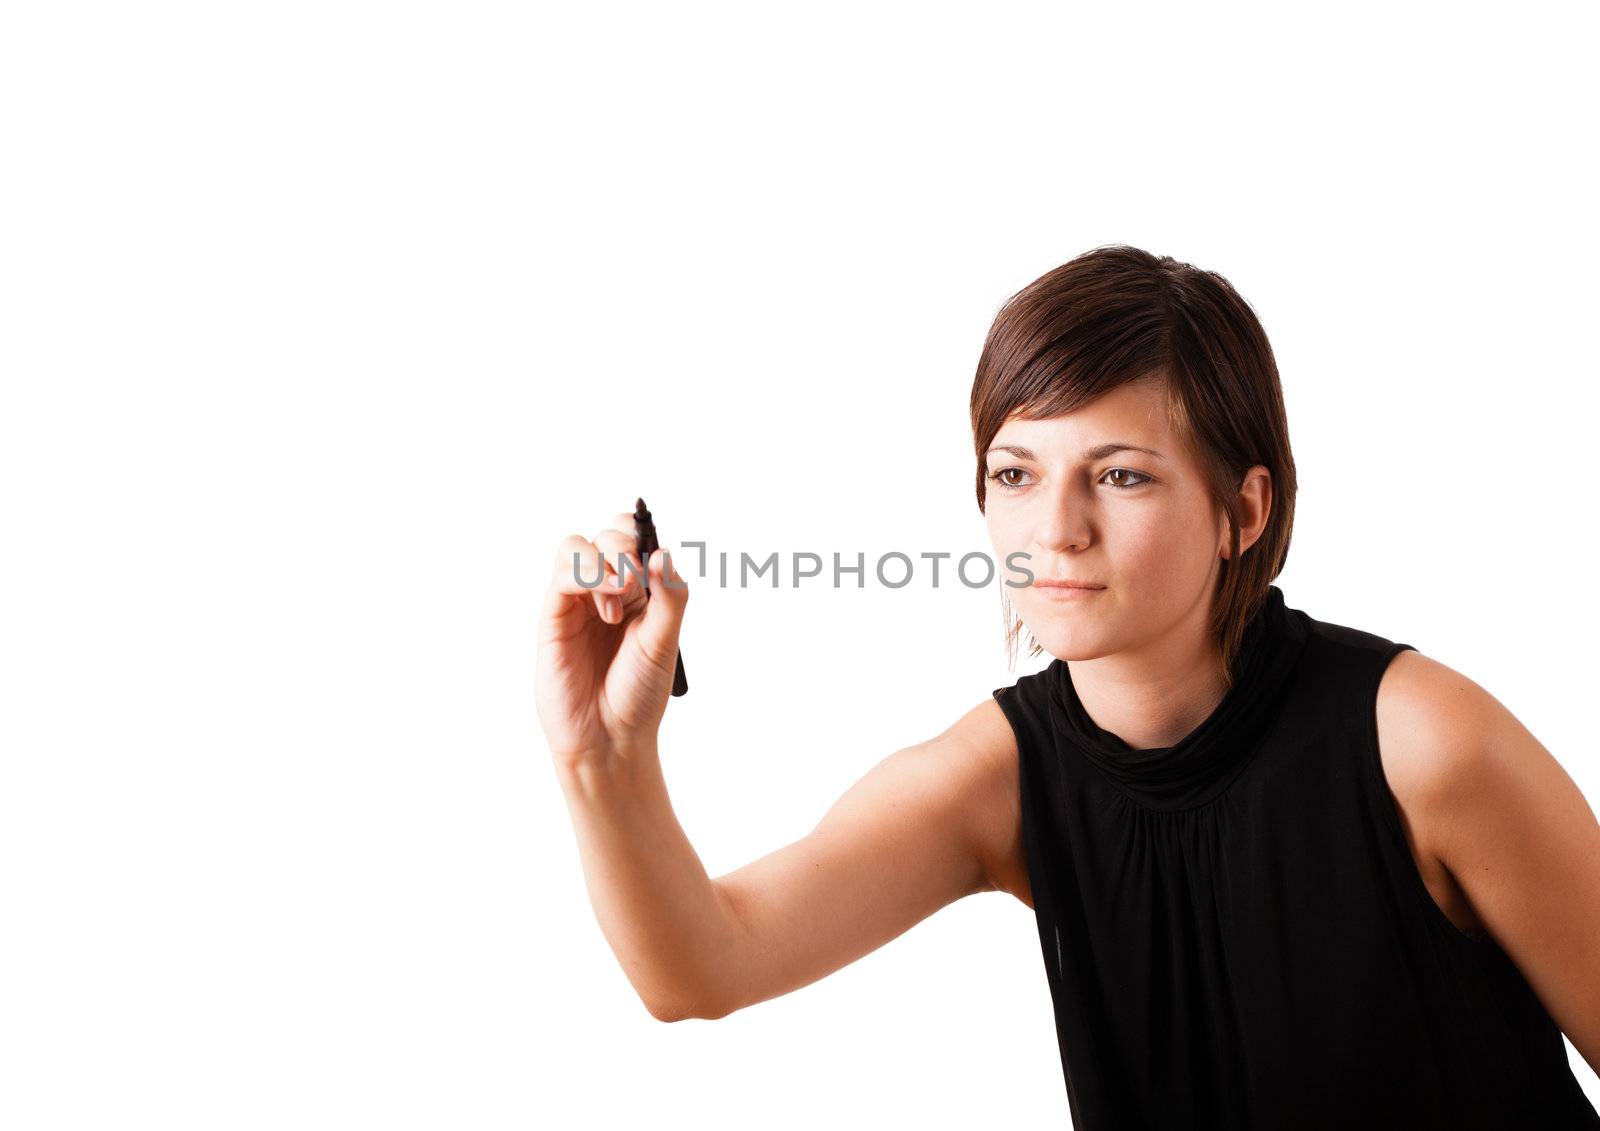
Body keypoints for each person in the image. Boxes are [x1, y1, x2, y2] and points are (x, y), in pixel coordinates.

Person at [536, 245, 1600, 1128]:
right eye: (1016, 474)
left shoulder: (1421, 743)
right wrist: (603, 758)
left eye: (1121, 474)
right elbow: (700, 969)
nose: (1055, 530)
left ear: (1245, 508)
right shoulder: (996, 778)